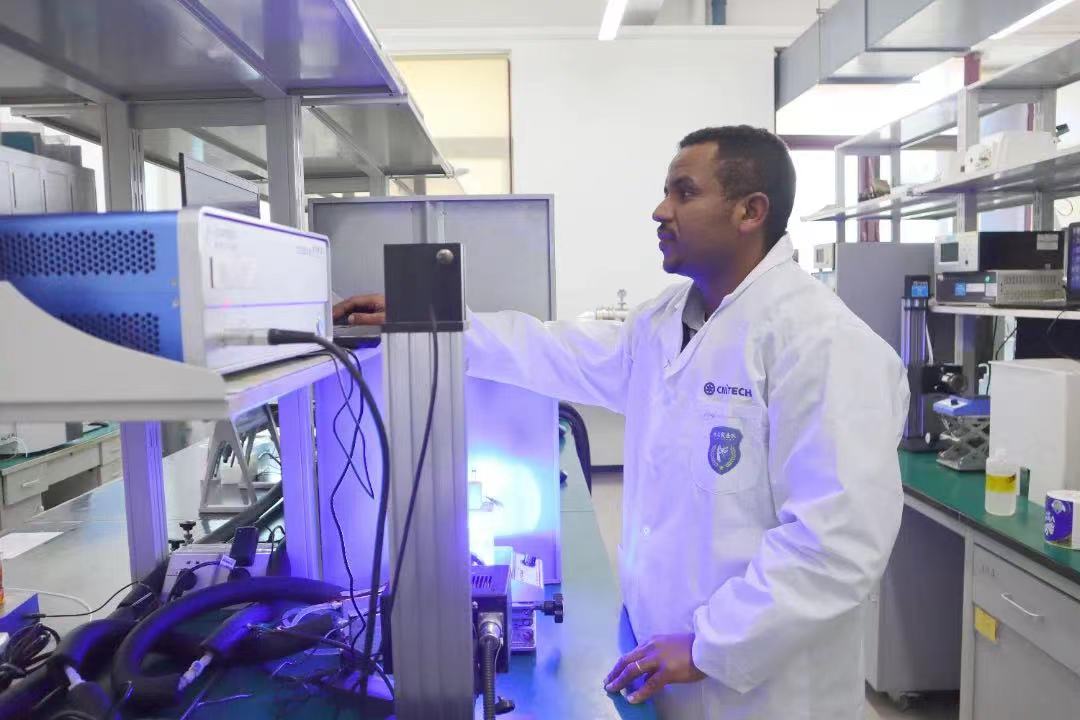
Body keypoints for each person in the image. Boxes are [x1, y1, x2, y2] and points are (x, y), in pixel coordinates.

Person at [333, 125, 909, 720]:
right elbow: (556, 351)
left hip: (766, 692)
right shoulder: (665, 321)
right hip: (663, 658)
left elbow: (837, 542)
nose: (661, 211)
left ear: (750, 211)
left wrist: (711, 645)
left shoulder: (825, 345)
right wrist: (437, 322)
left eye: (685, 192)